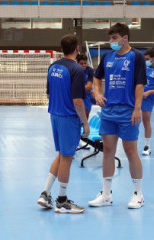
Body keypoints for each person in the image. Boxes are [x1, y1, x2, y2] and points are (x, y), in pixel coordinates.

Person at [88, 23, 147, 209]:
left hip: (128, 112)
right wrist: (97, 93)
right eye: (110, 38)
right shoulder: (107, 57)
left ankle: (138, 194)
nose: (111, 41)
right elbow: (96, 78)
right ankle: (106, 195)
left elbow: (139, 84)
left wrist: (137, 108)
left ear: (125, 38)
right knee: (108, 152)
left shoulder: (136, 57)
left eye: (114, 38)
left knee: (130, 152)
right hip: (108, 112)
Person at [37, 34, 89, 213]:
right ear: (77, 49)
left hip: (55, 116)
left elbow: (49, 95)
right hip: (68, 118)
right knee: (67, 158)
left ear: (61, 49)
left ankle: (45, 193)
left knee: (61, 155)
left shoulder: (53, 67)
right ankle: (62, 201)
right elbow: (78, 101)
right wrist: (85, 123)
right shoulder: (76, 70)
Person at [76, 53, 94, 119]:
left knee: (86, 115)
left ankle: (84, 128)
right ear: (77, 63)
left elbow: (89, 86)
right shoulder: (73, 70)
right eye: (81, 63)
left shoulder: (90, 70)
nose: (84, 65)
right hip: (76, 95)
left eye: (85, 63)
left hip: (87, 94)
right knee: (76, 115)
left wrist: (88, 90)